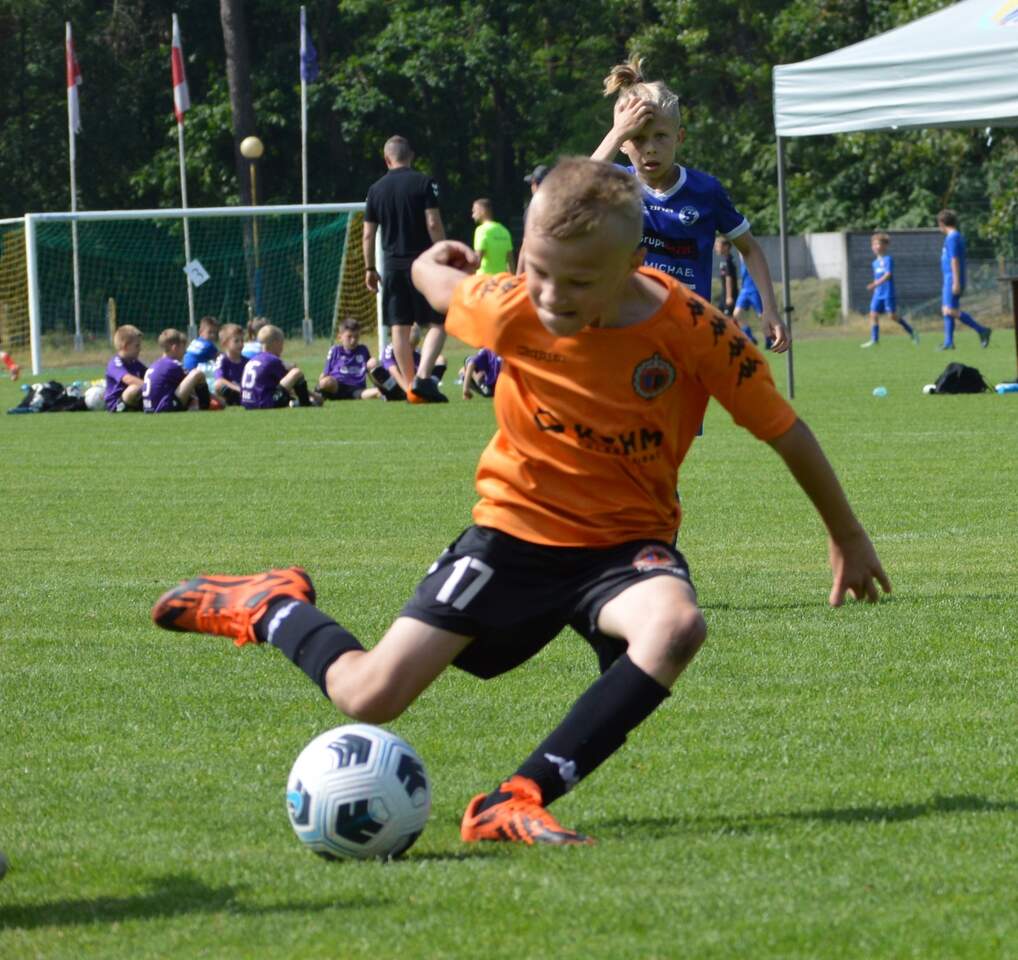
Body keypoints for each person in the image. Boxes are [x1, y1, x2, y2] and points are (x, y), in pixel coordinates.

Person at [153, 158, 889, 848]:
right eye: (537, 271)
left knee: (675, 627)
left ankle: (515, 798)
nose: (551, 296)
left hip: (625, 546)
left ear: (634, 265)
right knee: (368, 696)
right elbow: (435, 285)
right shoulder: (510, 306)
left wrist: (848, 536)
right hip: (511, 534)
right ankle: (272, 606)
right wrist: (430, 261)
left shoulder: (697, 331)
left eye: (577, 281)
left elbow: (786, 431)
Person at [592, 56, 788, 353]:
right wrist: (617, 131)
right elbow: (571, 193)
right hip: (628, 330)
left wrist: (769, 308)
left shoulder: (706, 190)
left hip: (688, 333)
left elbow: (749, 248)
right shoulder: (615, 183)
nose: (651, 148)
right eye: (638, 138)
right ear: (623, 143)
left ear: (679, 137)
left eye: (661, 136)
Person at [363, 135, 448, 403]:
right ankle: (423, 379)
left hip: (392, 266)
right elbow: (433, 223)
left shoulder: (375, 190)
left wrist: (370, 267)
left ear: (387, 159)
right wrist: (444, 253)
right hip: (423, 265)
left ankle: (411, 387)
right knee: (440, 322)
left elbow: (368, 234)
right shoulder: (425, 182)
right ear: (411, 156)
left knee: (399, 327)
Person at [937, 210, 991, 351]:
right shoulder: (954, 236)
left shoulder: (952, 237)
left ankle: (982, 330)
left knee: (950, 310)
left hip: (952, 278)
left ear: (941, 223)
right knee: (946, 309)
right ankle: (949, 342)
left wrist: (956, 282)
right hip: (949, 277)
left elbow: (954, 260)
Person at [241, 324, 319, 409]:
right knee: (296, 372)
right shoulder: (272, 360)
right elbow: (290, 385)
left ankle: (294, 402)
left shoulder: (253, 359)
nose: (282, 348)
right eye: (282, 344)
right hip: (263, 403)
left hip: (247, 402)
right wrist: (314, 396)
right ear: (276, 343)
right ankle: (306, 403)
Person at [861, 233, 918, 348]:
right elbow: (876, 277)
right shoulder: (874, 263)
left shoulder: (888, 259)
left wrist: (875, 284)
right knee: (873, 314)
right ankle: (874, 340)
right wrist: (875, 288)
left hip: (888, 293)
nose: (875, 246)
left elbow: (888, 275)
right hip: (878, 293)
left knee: (892, 316)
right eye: (873, 244)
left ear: (885, 246)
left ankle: (912, 331)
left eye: (878, 244)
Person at [370, 323, 447, 402]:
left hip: (412, 385)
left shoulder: (417, 352)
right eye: (410, 346)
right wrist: (409, 391)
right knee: (372, 363)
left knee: (440, 360)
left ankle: (429, 389)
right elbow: (394, 372)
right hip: (395, 386)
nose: (412, 349)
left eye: (414, 346)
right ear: (403, 342)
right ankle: (400, 395)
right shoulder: (389, 351)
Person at [143, 328, 213, 413]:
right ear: (175, 348)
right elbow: (193, 385)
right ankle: (206, 407)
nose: (185, 352)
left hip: (149, 408)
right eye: (183, 348)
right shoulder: (173, 364)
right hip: (165, 408)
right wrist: (217, 399)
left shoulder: (154, 364)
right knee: (197, 374)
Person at [318, 318, 381, 401]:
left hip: (357, 389)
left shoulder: (363, 350)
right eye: (349, 336)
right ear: (340, 337)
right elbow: (325, 373)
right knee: (326, 382)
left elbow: (370, 371)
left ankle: (391, 393)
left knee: (378, 391)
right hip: (338, 387)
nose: (353, 340)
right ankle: (317, 395)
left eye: (356, 337)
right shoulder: (335, 350)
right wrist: (320, 386)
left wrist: (378, 384)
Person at [104, 325, 147, 413]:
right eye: (137, 346)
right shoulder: (115, 363)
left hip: (132, 400)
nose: (140, 349)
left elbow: (148, 374)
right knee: (134, 388)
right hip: (116, 404)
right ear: (126, 346)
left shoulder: (134, 362)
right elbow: (127, 379)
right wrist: (150, 387)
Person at [471, 199, 515, 275]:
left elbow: (477, 262)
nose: (473, 215)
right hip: (501, 279)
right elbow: (510, 262)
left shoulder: (481, 230)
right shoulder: (504, 231)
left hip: (484, 279)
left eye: (474, 211)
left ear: (483, 211)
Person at [732, 257, 768, 347]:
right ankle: (750, 337)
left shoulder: (753, 256)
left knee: (762, 315)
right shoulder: (741, 257)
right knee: (736, 314)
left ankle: (769, 338)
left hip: (754, 289)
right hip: (744, 290)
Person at [213, 323, 248, 406]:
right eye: (236, 341)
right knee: (218, 385)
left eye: (242, 341)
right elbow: (219, 380)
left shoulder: (247, 361)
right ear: (224, 343)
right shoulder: (222, 360)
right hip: (233, 390)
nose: (241, 344)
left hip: (245, 392)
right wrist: (237, 388)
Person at [714, 237, 738, 317]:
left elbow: (729, 278)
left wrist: (729, 297)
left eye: (717, 246)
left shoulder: (728, 260)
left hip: (729, 295)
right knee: (719, 316)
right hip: (724, 294)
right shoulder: (724, 260)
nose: (715, 249)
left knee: (728, 318)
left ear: (726, 247)